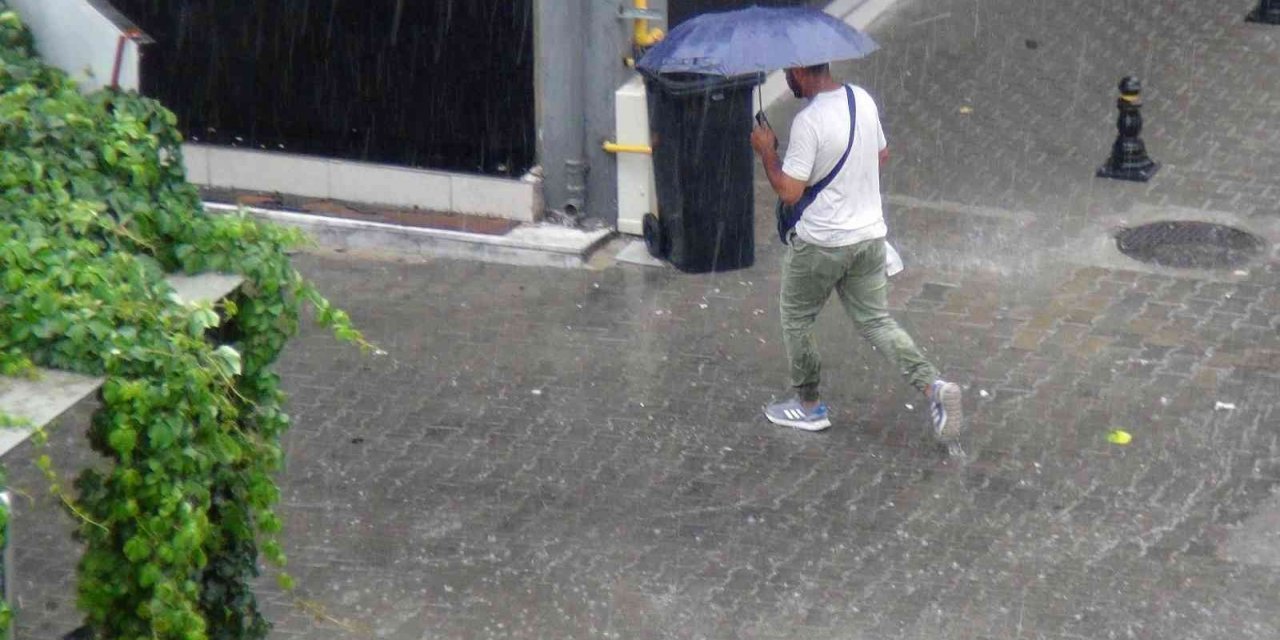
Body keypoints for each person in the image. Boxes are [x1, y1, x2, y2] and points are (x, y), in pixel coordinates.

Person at [748, 63, 964, 443]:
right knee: (877, 322)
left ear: (800, 69)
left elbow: (789, 192)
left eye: (788, 72)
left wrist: (767, 153)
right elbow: (881, 155)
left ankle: (809, 407)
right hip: (869, 237)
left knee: (796, 318)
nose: (786, 79)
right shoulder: (860, 99)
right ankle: (933, 387)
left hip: (822, 242)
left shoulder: (808, 122)